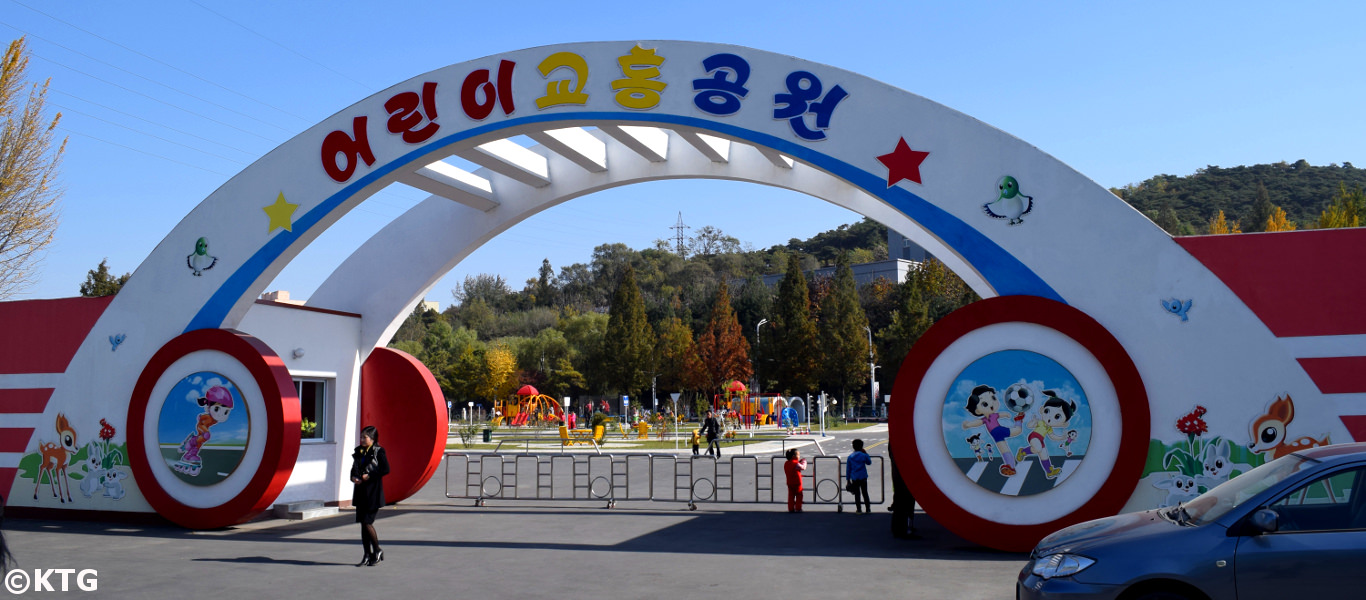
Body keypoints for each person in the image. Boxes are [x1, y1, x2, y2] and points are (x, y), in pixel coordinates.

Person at [350, 425, 390, 566]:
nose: (362, 440)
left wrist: (369, 476)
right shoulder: (359, 451)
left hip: (373, 493)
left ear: (372, 439)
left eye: (364, 437)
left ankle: (377, 550)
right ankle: (367, 554)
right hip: (361, 493)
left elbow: (385, 469)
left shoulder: (379, 452)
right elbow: (354, 469)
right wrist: (354, 477)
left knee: (367, 522)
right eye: (361, 437)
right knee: (363, 524)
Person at [888, 449, 919, 539]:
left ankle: (900, 529)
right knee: (903, 501)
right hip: (904, 476)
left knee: (900, 500)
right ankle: (902, 530)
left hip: (900, 476)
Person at [846, 439, 873, 513]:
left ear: (853, 447)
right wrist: (866, 453)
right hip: (863, 476)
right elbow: (869, 462)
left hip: (855, 477)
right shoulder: (863, 455)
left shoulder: (850, 457)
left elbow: (848, 469)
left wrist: (848, 480)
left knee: (857, 494)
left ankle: (859, 509)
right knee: (865, 493)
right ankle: (868, 509)